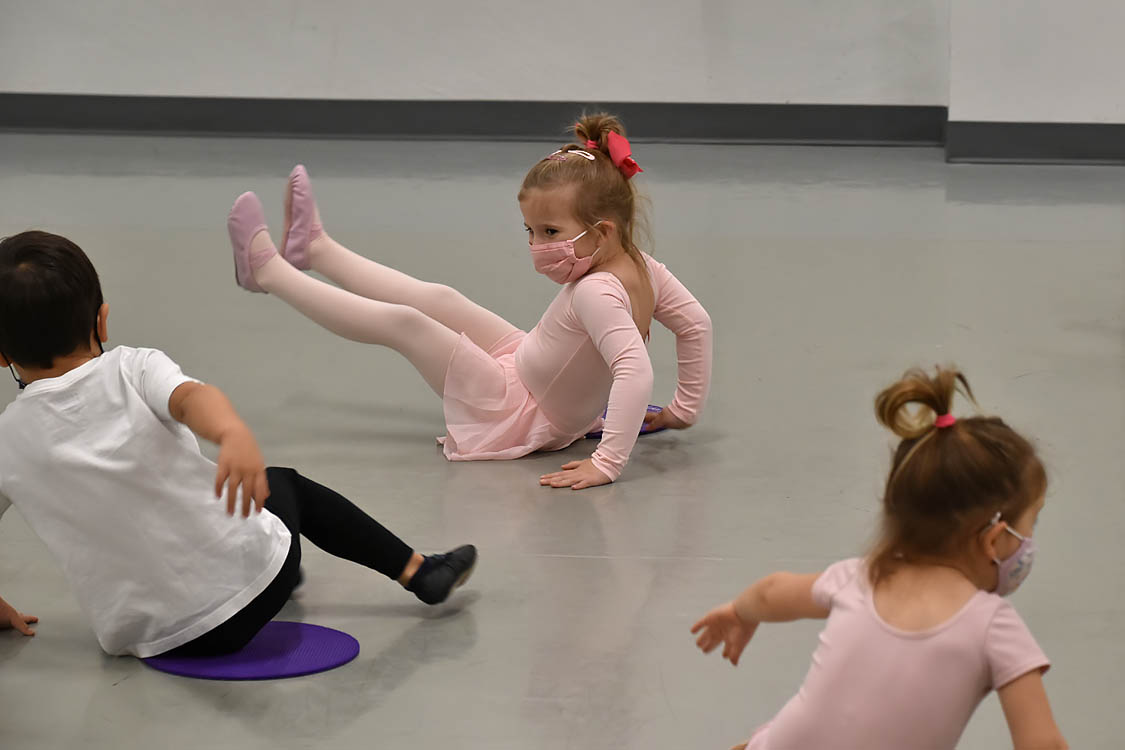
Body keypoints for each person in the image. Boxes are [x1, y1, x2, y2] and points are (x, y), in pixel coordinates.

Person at [0, 230, 476, 657]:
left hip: (150, 639)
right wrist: (231, 431)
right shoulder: (131, 367)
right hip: (257, 584)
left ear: (2, 357)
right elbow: (190, 399)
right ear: (101, 322)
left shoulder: (6, 440)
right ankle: (418, 571)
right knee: (285, 485)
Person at [227, 113, 712, 490]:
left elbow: (635, 371)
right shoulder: (643, 264)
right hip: (525, 363)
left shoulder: (595, 291)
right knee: (440, 298)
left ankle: (268, 272)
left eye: (550, 233)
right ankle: (314, 250)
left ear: (601, 231)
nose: (534, 245)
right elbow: (696, 324)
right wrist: (682, 411)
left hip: (515, 406)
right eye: (531, 230)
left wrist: (607, 462)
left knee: (406, 324)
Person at [691, 367, 1067, 750]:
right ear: (996, 538)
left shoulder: (859, 577)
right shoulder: (994, 627)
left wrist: (739, 613)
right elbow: (1043, 745)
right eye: (1031, 523)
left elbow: (772, 592)